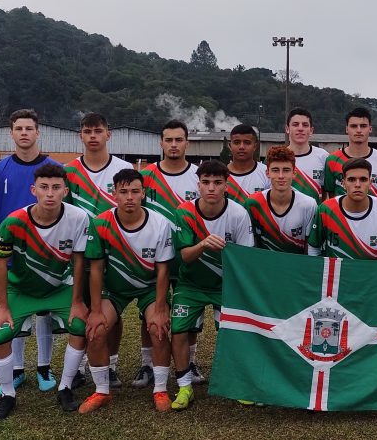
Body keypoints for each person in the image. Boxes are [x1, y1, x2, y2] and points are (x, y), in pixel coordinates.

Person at [0, 163, 90, 419]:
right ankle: (8, 394)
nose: (50, 193)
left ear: (65, 191)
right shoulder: (13, 222)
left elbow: (80, 262)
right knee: (0, 335)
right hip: (22, 290)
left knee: (80, 326)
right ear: (34, 190)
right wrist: (2, 307)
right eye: (44, 187)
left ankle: (65, 387)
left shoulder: (79, 218)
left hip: (59, 288)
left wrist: (78, 301)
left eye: (56, 188)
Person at [79, 169, 174, 413]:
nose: (129, 197)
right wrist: (97, 310)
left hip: (149, 288)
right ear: (114, 194)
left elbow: (164, 270)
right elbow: (97, 270)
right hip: (115, 290)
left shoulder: (160, 223)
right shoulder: (100, 223)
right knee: (96, 330)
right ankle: (102, 391)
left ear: (143, 193)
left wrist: (161, 308)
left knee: (158, 328)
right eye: (123, 192)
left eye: (134, 191)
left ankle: (161, 388)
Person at [0, 109, 62, 394]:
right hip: (13, 251)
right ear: (12, 133)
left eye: (29, 128)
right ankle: (17, 369)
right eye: (19, 128)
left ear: (38, 132)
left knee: (44, 310)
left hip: (47, 251)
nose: (24, 133)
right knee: (15, 310)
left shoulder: (54, 167)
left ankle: (44, 366)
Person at [171, 160, 254, 410]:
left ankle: (239, 384)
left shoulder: (238, 213)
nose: (211, 188)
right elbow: (184, 256)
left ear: (226, 186)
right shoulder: (184, 212)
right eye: (206, 182)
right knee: (178, 330)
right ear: (198, 185)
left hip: (224, 285)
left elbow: (245, 258)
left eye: (217, 183)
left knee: (232, 332)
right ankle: (185, 386)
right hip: (190, 284)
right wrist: (203, 244)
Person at [65, 112, 132, 388]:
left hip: (114, 254)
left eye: (98, 131)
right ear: (80, 135)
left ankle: (112, 365)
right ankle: (79, 367)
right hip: (79, 255)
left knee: (111, 313)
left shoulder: (124, 167)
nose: (93, 136)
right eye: (87, 131)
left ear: (109, 134)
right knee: (82, 310)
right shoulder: (69, 171)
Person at [135, 119, 201, 389]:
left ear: (187, 142)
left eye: (179, 140)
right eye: (168, 140)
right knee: (150, 311)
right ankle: (147, 364)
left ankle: (191, 361)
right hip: (153, 256)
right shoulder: (147, 176)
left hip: (188, 255)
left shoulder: (199, 176)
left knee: (190, 311)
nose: (173, 145)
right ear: (161, 143)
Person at [310, 157, 377, 261]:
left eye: (363, 179)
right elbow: (314, 248)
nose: (358, 185)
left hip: (373, 275)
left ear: (370, 183)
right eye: (351, 179)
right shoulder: (326, 209)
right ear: (343, 183)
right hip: (338, 275)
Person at [245, 145, 316, 253]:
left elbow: (310, 248)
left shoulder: (308, 204)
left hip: (295, 267)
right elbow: (248, 245)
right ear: (267, 173)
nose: (281, 176)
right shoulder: (253, 203)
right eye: (275, 170)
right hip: (264, 267)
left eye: (286, 170)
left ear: (294, 173)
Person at [323, 107, 377, 199]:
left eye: (363, 126)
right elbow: (330, 194)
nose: (358, 130)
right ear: (347, 129)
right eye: (354, 126)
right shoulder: (332, 159)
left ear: (370, 129)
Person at [286, 107, 328, 203]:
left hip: (313, 216)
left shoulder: (323, 156)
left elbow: (327, 192)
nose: (300, 128)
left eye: (305, 125)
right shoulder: (278, 156)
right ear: (287, 129)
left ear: (311, 130)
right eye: (295, 125)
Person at [225, 124, 270, 204]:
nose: (241, 147)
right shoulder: (220, 174)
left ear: (255, 146)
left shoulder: (267, 173)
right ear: (229, 146)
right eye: (237, 142)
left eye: (247, 142)